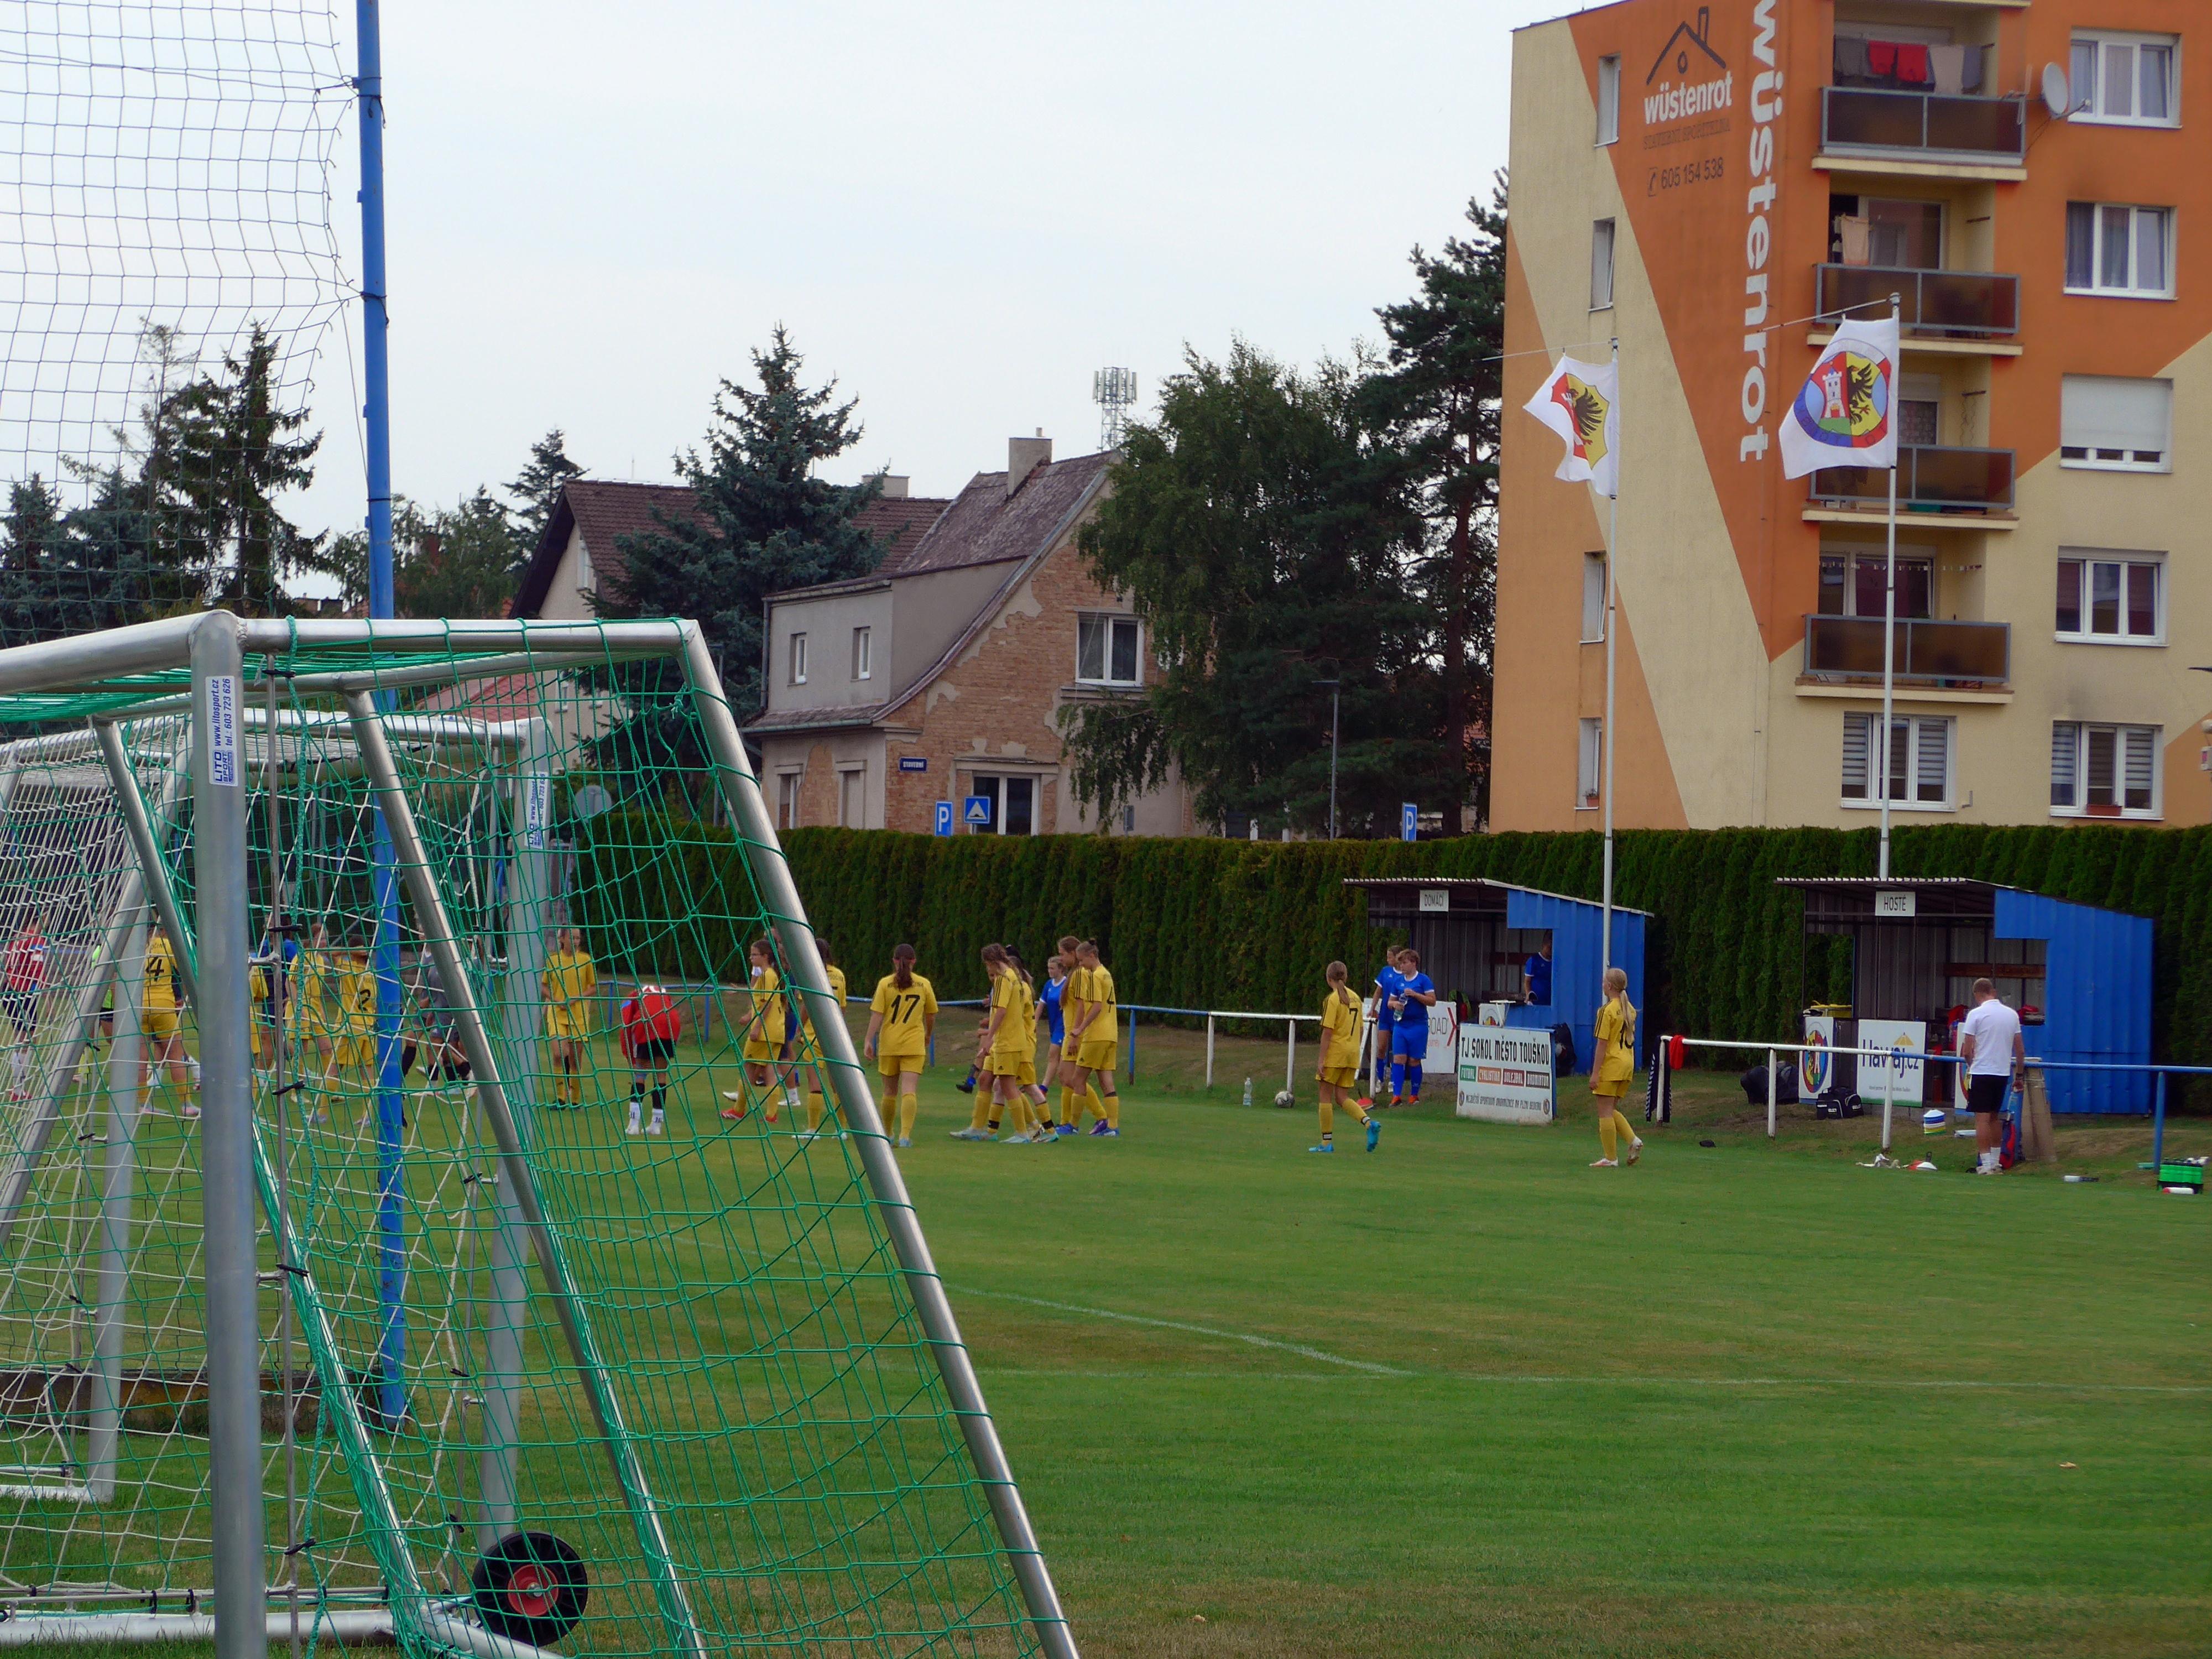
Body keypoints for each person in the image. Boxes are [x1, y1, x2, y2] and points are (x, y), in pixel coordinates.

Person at [865, 944, 936, 1147]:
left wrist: (869, 1040)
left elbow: (877, 1014)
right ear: (914, 962)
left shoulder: (885, 984)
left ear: (895, 961)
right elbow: (931, 1014)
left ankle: (888, 1134)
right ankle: (905, 1136)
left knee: (889, 1091)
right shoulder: (924, 984)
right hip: (914, 1044)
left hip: (890, 1044)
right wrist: (928, 1035)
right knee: (909, 1090)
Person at [1958, 977, 2024, 1176]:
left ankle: (1986, 1164)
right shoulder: (2012, 1015)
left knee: (1982, 1119)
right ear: (1993, 992)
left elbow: (1967, 1050)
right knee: (1995, 1117)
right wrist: (2019, 1075)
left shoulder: (1976, 1015)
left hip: (1982, 1071)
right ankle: (1995, 1162)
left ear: (1977, 995)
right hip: (2002, 1073)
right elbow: (2020, 1050)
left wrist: (1970, 1065)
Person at [1311, 962, 1379, 1154]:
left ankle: (1326, 1144)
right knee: (1342, 1097)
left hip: (1336, 1053)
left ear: (1328, 979)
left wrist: (1321, 1060)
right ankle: (1368, 1124)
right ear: (1346, 978)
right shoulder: (1356, 998)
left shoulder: (1333, 1000)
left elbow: (1328, 1032)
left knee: (1325, 1096)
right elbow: (1360, 1028)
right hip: (1351, 1053)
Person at [722, 937, 791, 1122]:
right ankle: (771, 1115)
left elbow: (767, 1003)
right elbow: (764, 1000)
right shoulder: (772, 975)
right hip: (776, 1032)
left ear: (765, 956)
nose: (751, 958)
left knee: (748, 1069)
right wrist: (749, 1016)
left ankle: (738, 1110)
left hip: (764, 1033)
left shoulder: (768, 975)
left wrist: (757, 1027)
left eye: (754, 955)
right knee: (770, 1071)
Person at [792, 937, 849, 1142]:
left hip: (814, 1034)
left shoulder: (810, 973)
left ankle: (813, 1129)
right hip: (834, 1035)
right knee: (838, 1085)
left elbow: (807, 1005)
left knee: (815, 1082)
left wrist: (798, 1028)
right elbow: (842, 1007)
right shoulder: (840, 976)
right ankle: (841, 1130)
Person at [140, 922, 197, 1120]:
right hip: (163, 1004)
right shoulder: (166, 945)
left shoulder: (135, 947)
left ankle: (142, 1104)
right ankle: (186, 1104)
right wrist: (186, 994)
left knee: (140, 1056)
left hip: (139, 1005)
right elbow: (184, 969)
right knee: (175, 1053)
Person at [1066, 940, 1121, 1137]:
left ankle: (1072, 1125)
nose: (1080, 965)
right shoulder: (1106, 973)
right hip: (1111, 1034)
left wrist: (1080, 1028)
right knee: (1107, 1081)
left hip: (1096, 1035)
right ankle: (1113, 1127)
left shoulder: (1095, 976)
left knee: (1077, 1078)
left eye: (1082, 961)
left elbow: (1096, 1006)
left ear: (1092, 956)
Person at [1589, 966, 1643, 1167]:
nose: (1602, 984)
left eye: (1604, 981)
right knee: (1611, 1109)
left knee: (1604, 1112)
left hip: (1612, 1065)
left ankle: (1611, 1158)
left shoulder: (1607, 1011)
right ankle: (1633, 1140)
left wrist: (1595, 1074)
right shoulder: (1629, 1009)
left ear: (1609, 986)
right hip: (1627, 1064)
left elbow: (1602, 1044)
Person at [542, 927, 597, 1108]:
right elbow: (543, 986)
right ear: (562, 939)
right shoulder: (553, 960)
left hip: (578, 1014)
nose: (575, 941)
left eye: (578, 938)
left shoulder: (586, 960)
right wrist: (556, 999)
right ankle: (560, 1098)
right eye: (572, 938)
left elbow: (593, 987)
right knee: (559, 1053)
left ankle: (575, 1100)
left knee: (575, 1058)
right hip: (557, 1012)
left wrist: (576, 998)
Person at [619, 981, 683, 1135]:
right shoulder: (663, 992)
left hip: (647, 1022)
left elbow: (626, 1027)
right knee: (661, 1073)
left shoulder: (632, 997)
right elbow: (673, 1014)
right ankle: (656, 1125)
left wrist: (631, 1059)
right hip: (670, 1024)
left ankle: (633, 1125)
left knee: (639, 1073)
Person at [3, 913, 48, 1102]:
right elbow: (37, 970)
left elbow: (6, 965)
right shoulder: (36, 940)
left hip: (9, 991)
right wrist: (45, 993)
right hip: (24, 992)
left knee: (22, 1038)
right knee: (26, 1039)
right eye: (45, 921)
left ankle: (17, 1087)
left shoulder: (17, 938)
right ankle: (18, 1090)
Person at [1388, 948, 1437, 1106]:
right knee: (1398, 1059)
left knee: (1414, 1060)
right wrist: (1396, 1004)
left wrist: (1416, 995)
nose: (1402, 966)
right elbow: (1390, 1002)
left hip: (1418, 1025)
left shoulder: (1423, 980)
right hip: (1401, 1025)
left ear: (1414, 963)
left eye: (1405, 963)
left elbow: (1432, 1001)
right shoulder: (1398, 982)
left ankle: (1414, 1095)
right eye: (1400, 963)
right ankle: (1396, 1096)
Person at [1037, 954, 1074, 1136]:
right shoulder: (1048, 985)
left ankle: (1043, 1088)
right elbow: (1041, 1005)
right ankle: (1068, 1120)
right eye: (1049, 968)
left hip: (1064, 1026)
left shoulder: (1067, 984)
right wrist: (1034, 1022)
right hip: (1054, 1027)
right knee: (1065, 1076)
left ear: (1061, 969)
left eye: (1053, 968)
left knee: (1053, 1055)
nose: (1050, 971)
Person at [1370, 948, 1406, 1106]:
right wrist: (1372, 1008)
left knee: (1395, 1050)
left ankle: (1393, 1081)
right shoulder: (1385, 972)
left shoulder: (1405, 975)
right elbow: (1378, 991)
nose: (1387, 960)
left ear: (1397, 958)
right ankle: (1380, 1078)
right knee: (1381, 1047)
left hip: (1398, 1017)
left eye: (1390, 957)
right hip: (1385, 1016)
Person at [1522, 936, 1553, 1008]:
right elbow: (1527, 981)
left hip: (1550, 1002)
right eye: (1549, 947)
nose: (1551, 950)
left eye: (1553, 948)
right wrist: (1529, 995)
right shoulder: (1534, 960)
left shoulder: (1555, 962)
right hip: (1535, 1003)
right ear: (1543, 945)